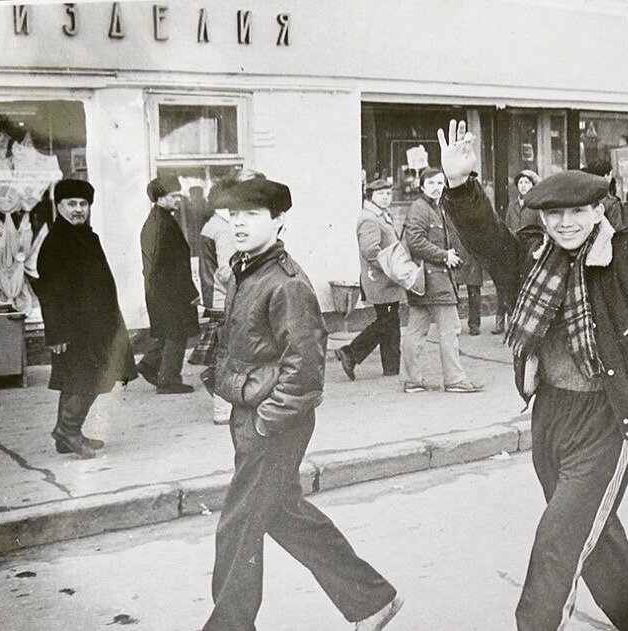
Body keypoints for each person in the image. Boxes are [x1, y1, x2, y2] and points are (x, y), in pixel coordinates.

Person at [439, 107, 628, 631]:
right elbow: (485, 238)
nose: (565, 224)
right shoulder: (531, 258)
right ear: (541, 218)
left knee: (559, 541)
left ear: (599, 209)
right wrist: (459, 184)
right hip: (550, 415)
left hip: (606, 420)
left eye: (577, 212)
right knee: (595, 536)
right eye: (553, 215)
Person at [203, 177, 403, 631]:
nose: (239, 223)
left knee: (238, 528)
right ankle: (372, 599)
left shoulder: (287, 283)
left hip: (274, 420)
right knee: (283, 514)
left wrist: (267, 422)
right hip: (251, 411)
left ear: (278, 221)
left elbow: (307, 363)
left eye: (251, 215)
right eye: (234, 215)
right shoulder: (245, 269)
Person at [35, 179, 137, 458]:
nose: (79, 209)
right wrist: (56, 333)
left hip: (96, 326)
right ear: (59, 207)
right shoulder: (57, 241)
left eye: (83, 204)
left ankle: (67, 434)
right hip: (74, 329)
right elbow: (50, 292)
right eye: (72, 204)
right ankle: (67, 431)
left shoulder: (85, 236)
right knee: (86, 380)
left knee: (77, 379)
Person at [401, 167, 483, 394]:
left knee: (416, 331)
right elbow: (415, 241)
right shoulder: (420, 208)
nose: (437, 188)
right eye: (432, 184)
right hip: (433, 280)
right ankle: (455, 379)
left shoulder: (436, 207)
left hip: (428, 282)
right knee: (450, 330)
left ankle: (412, 380)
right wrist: (444, 255)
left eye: (440, 183)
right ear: (422, 186)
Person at [334, 179, 404, 380]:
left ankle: (391, 367)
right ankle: (350, 352)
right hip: (380, 279)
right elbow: (370, 251)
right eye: (381, 194)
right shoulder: (369, 219)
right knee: (387, 321)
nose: (386, 197)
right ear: (370, 196)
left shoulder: (380, 216)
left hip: (386, 279)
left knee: (390, 321)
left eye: (388, 193)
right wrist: (393, 267)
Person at [138, 175, 199, 394]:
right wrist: (190, 292)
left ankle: (148, 364)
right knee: (176, 334)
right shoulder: (163, 224)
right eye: (173, 196)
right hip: (170, 291)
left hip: (160, 290)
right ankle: (169, 381)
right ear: (160, 198)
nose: (178, 200)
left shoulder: (156, 220)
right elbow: (173, 265)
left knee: (167, 331)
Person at [191, 206, 238, 424]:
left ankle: (218, 388)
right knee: (227, 355)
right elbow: (227, 271)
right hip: (224, 299)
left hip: (214, 297)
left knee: (224, 353)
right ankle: (222, 409)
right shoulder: (225, 229)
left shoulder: (212, 224)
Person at [498, 170, 542, 334]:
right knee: (511, 284)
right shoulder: (512, 205)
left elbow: (542, 230)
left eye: (527, 182)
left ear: (532, 185)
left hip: (530, 250)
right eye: (521, 183)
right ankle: (509, 321)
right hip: (513, 249)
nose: (523, 186)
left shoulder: (537, 205)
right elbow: (507, 225)